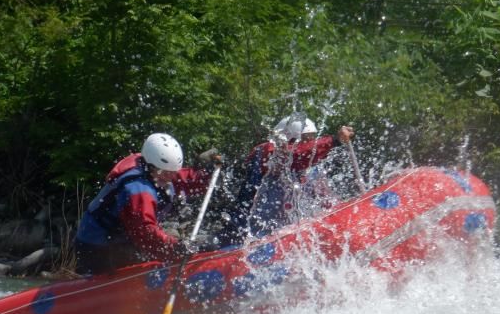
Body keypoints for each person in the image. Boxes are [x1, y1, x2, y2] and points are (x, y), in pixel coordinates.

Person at [74, 132, 222, 275]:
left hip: (123, 239)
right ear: (151, 166)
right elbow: (145, 232)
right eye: (166, 172)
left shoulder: (159, 171)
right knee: (153, 257)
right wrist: (176, 247)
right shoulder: (137, 190)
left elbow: (185, 179)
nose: (171, 177)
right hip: (98, 248)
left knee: (161, 253)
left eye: (173, 171)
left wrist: (208, 174)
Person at [228, 113, 355, 239]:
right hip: (250, 232)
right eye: (307, 140)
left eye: (312, 139)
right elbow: (297, 152)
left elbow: (324, 199)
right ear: (288, 138)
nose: (311, 144)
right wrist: (334, 140)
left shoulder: (306, 169)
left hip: (283, 229)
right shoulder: (268, 151)